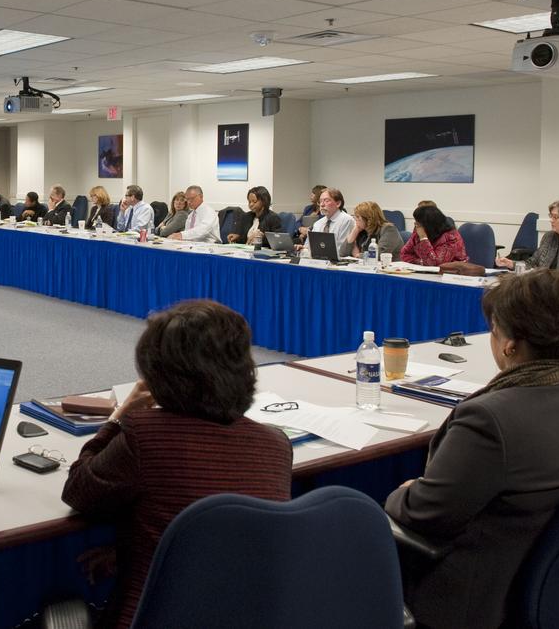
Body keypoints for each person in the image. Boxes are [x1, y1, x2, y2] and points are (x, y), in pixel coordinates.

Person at [385, 269, 559, 629]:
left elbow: (425, 513)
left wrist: (405, 493)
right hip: (541, 568)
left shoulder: (490, 420)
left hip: (471, 592)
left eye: (493, 330)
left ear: (510, 344)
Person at [61, 300, 292, 629]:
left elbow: (79, 490)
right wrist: (138, 552)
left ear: (159, 377)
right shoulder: (275, 445)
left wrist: (118, 419)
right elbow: (224, 542)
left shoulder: (146, 435)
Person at [398, 204, 468, 266]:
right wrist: (421, 261)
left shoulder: (451, 237)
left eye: (418, 222)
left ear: (429, 223)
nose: (416, 224)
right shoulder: (419, 230)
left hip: (452, 275)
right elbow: (404, 253)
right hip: (424, 272)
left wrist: (423, 238)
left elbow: (435, 264)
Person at [305, 187, 353, 256]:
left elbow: (342, 251)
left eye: (326, 201)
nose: (322, 205)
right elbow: (310, 246)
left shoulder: (347, 220)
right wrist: (304, 249)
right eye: (320, 201)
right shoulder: (318, 223)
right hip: (319, 261)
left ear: (338, 203)